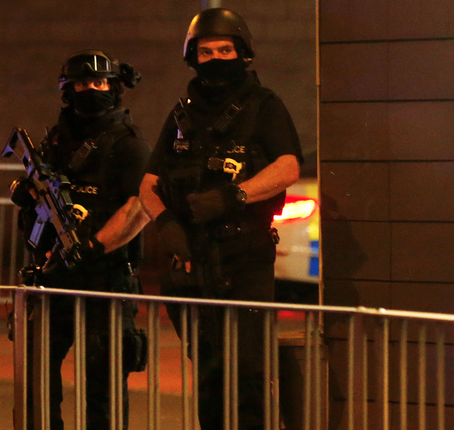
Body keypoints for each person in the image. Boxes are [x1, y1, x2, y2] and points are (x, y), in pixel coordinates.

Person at [138, 8, 304, 430]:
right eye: (206, 51)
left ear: (243, 53)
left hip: (244, 257)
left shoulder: (264, 105)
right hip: (193, 262)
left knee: (247, 375)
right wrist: (166, 225)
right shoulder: (182, 115)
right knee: (211, 376)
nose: (215, 58)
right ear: (192, 57)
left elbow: (287, 167)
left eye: (225, 49)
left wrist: (234, 195)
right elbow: (148, 185)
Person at [10, 49, 150, 430]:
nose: (91, 89)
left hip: (105, 279)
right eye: (82, 83)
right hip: (52, 278)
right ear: (68, 90)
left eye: (99, 82)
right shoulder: (56, 140)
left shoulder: (129, 144)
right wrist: (28, 193)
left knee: (103, 391)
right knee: (35, 386)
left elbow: (139, 208)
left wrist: (93, 246)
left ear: (114, 88)